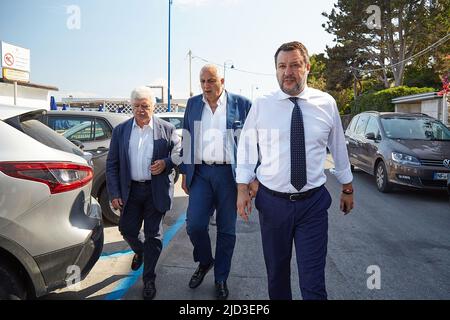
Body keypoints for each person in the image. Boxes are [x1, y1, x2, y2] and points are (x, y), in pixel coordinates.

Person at [236, 41, 354, 300]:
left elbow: (338, 147)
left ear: (307, 67)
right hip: (272, 203)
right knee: (277, 277)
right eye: (281, 66)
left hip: (312, 205)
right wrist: (242, 188)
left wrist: (347, 187)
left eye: (294, 65)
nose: (287, 72)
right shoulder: (262, 105)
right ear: (276, 70)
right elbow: (246, 148)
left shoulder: (326, 103)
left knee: (313, 282)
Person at [180, 64, 251, 299]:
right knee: (195, 225)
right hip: (200, 173)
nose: (206, 86)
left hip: (229, 176)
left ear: (222, 81)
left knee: (226, 230)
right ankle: (205, 261)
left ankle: (221, 278)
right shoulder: (193, 104)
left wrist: (251, 179)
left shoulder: (242, 104)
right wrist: (184, 173)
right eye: (202, 81)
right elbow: (187, 139)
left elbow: (253, 142)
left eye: (210, 81)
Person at [106, 86, 181, 300]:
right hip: (130, 191)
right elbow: (112, 164)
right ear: (132, 107)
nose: (141, 110)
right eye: (137, 106)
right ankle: (140, 251)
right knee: (126, 229)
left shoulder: (167, 129)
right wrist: (114, 193)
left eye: (145, 106)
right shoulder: (121, 131)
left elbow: (179, 153)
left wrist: (166, 163)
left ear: (153, 106)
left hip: (154, 191)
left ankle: (149, 279)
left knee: (154, 236)